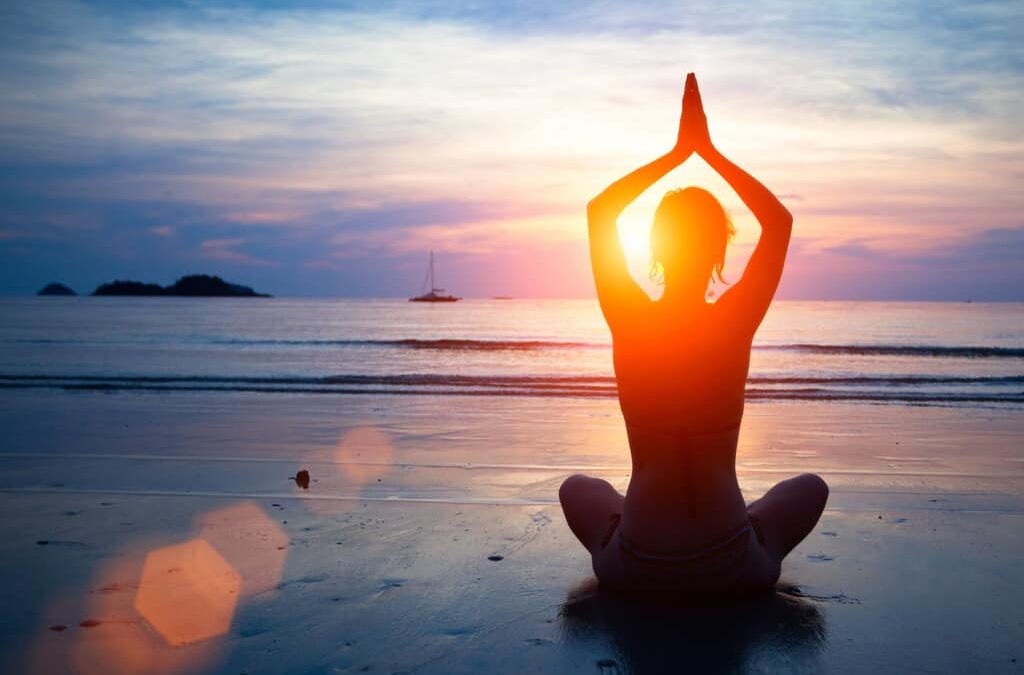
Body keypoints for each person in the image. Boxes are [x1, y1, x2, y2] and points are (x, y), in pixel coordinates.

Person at [560, 73, 828, 593]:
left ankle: (626, 528)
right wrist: (708, 151)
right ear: (719, 252)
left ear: (656, 250)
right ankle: (745, 527)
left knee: (578, 488)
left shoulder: (629, 315)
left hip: (637, 567)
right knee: (809, 487)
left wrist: (677, 153)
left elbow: (600, 212)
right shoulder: (734, 320)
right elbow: (778, 222)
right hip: (728, 566)